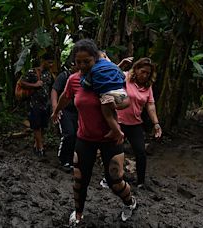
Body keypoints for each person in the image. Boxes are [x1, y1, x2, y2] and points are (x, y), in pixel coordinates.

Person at [51, 39, 137, 225]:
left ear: (95, 59)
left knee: (115, 181)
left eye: (86, 62)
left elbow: (125, 101)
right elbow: (66, 97)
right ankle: (79, 213)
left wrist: (111, 99)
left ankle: (130, 203)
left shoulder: (108, 76)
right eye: (78, 62)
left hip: (111, 138)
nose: (82, 66)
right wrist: (57, 110)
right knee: (79, 181)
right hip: (85, 138)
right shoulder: (74, 80)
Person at [117, 57, 162, 187]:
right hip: (118, 121)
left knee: (140, 152)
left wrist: (156, 124)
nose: (145, 75)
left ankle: (141, 181)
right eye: (143, 71)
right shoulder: (125, 77)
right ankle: (113, 178)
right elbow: (111, 74)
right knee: (116, 151)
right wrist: (121, 64)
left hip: (135, 123)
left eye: (148, 73)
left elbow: (150, 105)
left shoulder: (148, 87)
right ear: (136, 70)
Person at [80, 50, 131, 144]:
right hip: (121, 93)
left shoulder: (93, 69)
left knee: (108, 116)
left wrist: (82, 77)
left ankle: (118, 132)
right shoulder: (113, 66)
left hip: (107, 95)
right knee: (113, 112)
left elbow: (86, 85)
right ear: (104, 56)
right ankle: (114, 129)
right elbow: (123, 76)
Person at [20, 53, 54, 156]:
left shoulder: (49, 74)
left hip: (45, 104)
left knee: (43, 126)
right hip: (34, 103)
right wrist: (34, 85)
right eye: (49, 62)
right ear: (43, 61)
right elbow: (22, 82)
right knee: (36, 126)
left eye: (52, 62)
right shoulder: (32, 72)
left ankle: (36, 144)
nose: (51, 65)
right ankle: (41, 147)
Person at [51, 61, 78, 170]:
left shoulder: (84, 76)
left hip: (77, 111)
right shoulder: (64, 76)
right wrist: (55, 108)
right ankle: (63, 159)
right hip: (64, 109)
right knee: (69, 134)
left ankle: (71, 159)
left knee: (76, 135)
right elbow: (54, 90)